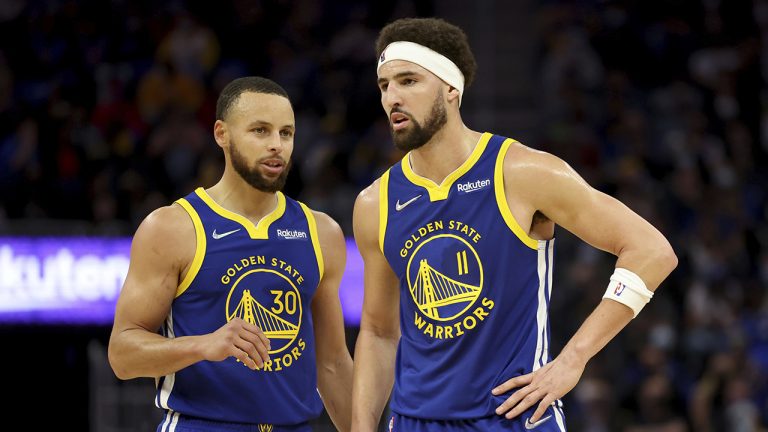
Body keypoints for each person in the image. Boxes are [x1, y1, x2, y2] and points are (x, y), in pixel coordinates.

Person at [350, 18, 678, 432]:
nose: (392, 98)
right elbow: (379, 332)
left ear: (451, 89)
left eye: (408, 81)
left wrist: (573, 359)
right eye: (384, 85)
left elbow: (651, 251)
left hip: (513, 417)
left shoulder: (522, 172)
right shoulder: (374, 203)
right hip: (415, 420)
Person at [108, 77, 353, 432]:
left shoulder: (322, 232)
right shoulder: (172, 227)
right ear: (221, 134)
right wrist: (203, 346)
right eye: (260, 131)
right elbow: (122, 354)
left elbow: (332, 364)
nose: (276, 145)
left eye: (286, 133)